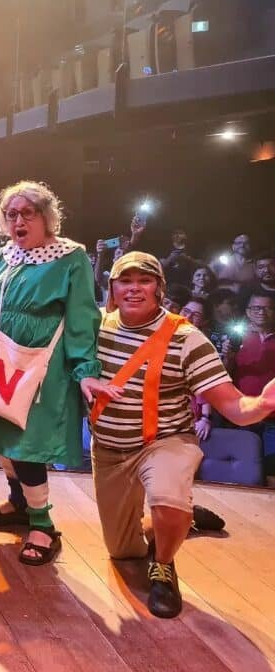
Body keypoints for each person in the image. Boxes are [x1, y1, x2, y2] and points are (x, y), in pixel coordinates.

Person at [89, 252, 275, 618]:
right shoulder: (94, 327)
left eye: (144, 280)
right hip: (109, 448)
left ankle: (163, 566)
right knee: (123, 550)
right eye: (125, 281)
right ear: (112, 288)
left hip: (165, 440)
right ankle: (186, 518)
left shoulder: (187, 338)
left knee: (166, 497)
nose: (134, 288)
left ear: (159, 287)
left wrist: (263, 404)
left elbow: (235, 408)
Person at [0, 180, 113, 566]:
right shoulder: (3, 256)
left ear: (46, 217)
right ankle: (18, 505)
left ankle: (43, 525)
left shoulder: (71, 257)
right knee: (2, 440)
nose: (18, 220)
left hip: (41, 370)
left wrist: (85, 370)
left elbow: (82, 317)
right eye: (11, 214)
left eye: (26, 212)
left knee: (26, 446)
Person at [225, 292, 275, 480]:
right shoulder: (237, 338)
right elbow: (224, 376)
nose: (261, 312)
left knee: (272, 471)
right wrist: (227, 358)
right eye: (256, 308)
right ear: (247, 312)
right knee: (243, 473)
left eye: (267, 308)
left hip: (273, 419)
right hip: (243, 416)